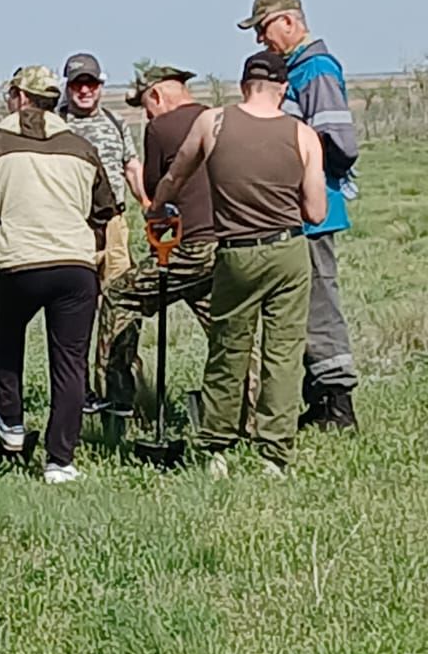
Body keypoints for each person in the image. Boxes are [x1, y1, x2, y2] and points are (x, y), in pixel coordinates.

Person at [151, 52, 326, 476]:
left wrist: (157, 204)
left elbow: (176, 175)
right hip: (287, 251)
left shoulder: (213, 123)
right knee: (282, 352)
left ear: (244, 83)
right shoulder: (303, 135)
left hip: (234, 251)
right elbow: (317, 212)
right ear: (283, 88)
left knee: (229, 346)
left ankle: (216, 446)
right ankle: (275, 454)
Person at [0, 65, 116, 483]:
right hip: (75, 265)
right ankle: (60, 460)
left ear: (20, 97)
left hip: (19, 261)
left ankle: (11, 427)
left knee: (6, 345)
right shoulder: (80, 146)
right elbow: (106, 208)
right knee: (70, 364)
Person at [238, 0, 359, 429]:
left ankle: (337, 405)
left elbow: (340, 144)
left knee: (320, 305)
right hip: (295, 213)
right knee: (300, 306)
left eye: (264, 29)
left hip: (315, 211)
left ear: (289, 22)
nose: (261, 41)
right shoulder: (297, 71)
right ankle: (315, 397)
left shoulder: (316, 70)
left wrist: (296, 165)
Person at [95, 65, 216, 415]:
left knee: (119, 296)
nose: (147, 113)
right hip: (225, 248)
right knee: (227, 330)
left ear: (157, 96)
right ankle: (245, 412)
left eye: (146, 105)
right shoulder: (218, 118)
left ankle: (116, 399)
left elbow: (153, 188)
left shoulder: (160, 128)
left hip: (187, 248)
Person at [60, 52, 147, 413]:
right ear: (66, 87)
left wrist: (147, 201)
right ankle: (78, 393)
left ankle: (123, 389)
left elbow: (131, 166)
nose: (84, 90)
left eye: (91, 83)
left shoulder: (115, 121)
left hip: (114, 225)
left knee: (122, 304)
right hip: (74, 226)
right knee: (76, 309)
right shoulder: (56, 124)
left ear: (100, 86)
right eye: (78, 83)